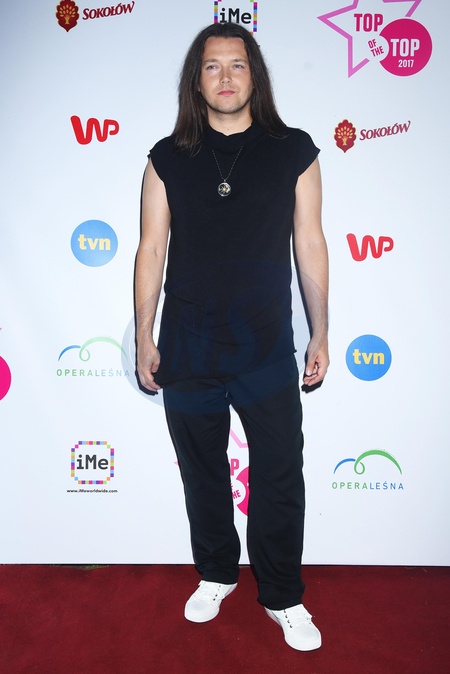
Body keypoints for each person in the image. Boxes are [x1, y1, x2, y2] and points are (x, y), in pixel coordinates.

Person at [135, 21, 329, 652]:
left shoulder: (294, 150)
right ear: (197, 81)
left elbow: (311, 242)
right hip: (188, 345)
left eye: (237, 65)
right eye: (212, 66)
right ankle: (217, 572)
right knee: (203, 471)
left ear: (255, 76)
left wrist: (321, 331)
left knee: (280, 472)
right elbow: (151, 248)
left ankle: (283, 594)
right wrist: (144, 336)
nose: (225, 77)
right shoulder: (166, 157)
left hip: (266, 346)